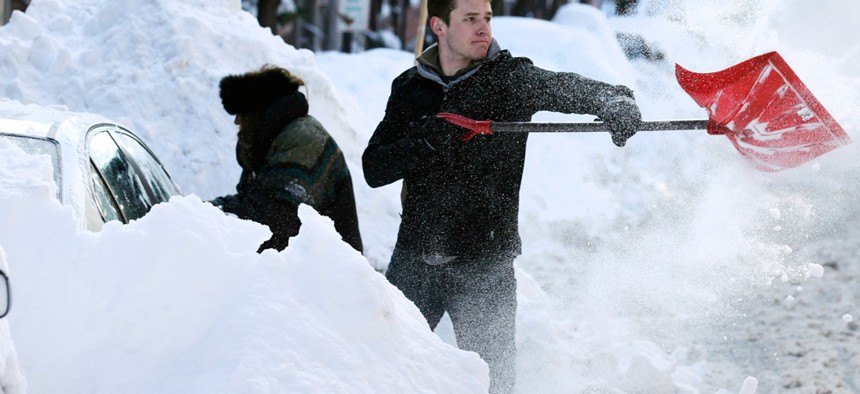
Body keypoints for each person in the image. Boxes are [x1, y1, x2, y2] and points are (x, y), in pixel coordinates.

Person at [361, 0, 641, 391]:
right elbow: (374, 168)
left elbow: (567, 88)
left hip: (484, 264)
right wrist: (427, 140)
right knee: (388, 371)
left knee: (495, 382)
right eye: (470, 19)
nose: (483, 29)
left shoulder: (508, 79)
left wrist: (614, 100)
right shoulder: (411, 88)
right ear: (439, 26)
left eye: (487, 18)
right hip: (416, 259)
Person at [212, 65, 363, 254]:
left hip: (328, 273)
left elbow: (277, 216)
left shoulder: (303, 139)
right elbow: (252, 202)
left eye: (241, 114)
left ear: (257, 113)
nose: (236, 122)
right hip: (301, 267)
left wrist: (215, 212)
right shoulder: (273, 142)